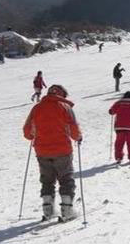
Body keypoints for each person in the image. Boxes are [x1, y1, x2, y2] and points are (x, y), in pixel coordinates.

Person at [23, 85, 82, 222]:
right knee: (66, 179)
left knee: (47, 180)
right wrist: (78, 137)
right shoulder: (65, 107)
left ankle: (48, 210)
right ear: (62, 95)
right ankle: (67, 210)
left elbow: (27, 131)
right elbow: (74, 127)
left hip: (42, 151)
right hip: (62, 150)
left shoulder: (36, 108)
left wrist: (32, 136)